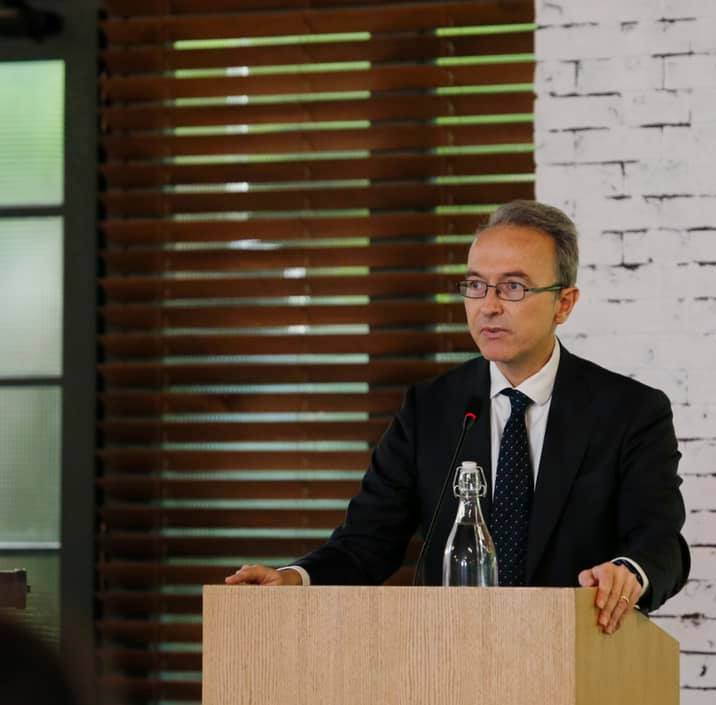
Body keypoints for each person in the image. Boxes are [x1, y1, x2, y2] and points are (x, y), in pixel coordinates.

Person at [227, 200, 690, 635]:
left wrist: (629, 573)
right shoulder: (431, 409)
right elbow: (366, 543)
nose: (489, 305)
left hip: (576, 655)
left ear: (563, 303)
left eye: (513, 287)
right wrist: (296, 578)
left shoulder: (629, 412)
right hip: (451, 661)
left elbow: (661, 541)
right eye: (475, 286)